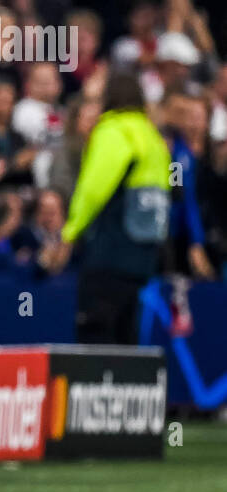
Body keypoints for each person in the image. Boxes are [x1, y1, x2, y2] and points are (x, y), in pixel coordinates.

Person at [46, 72, 171, 343]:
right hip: (144, 257)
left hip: (111, 253)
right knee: (126, 340)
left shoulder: (114, 129)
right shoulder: (153, 138)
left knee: (96, 337)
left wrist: (69, 233)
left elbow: (93, 190)